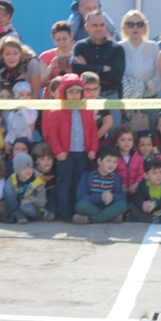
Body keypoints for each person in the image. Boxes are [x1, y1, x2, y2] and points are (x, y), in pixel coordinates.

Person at [46, 73, 99, 222]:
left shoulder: (86, 110)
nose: (75, 95)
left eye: (77, 91)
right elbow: (52, 134)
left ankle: (75, 210)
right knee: (64, 183)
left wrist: (93, 149)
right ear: (64, 92)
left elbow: (93, 131)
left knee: (77, 183)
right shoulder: (56, 111)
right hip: (65, 154)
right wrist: (58, 152)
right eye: (71, 92)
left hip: (81, 153)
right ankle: (64, 212)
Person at [72, 10, 125, 135]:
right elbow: (76, 70)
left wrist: (87, 68)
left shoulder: (117, 48)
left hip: (110, 96)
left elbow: (116, 76)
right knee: (83, 135)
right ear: (86, 27)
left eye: (102, 25)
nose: (99, 29)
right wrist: (101, 68)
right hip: (86, 98)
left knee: (115, 135)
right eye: (95, 25)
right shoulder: (80, 47)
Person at [73, 145, 127, 224]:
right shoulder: (88, 175)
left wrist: (112, 196)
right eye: (108, 161)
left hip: (108, 206)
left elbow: (122, 198)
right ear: (99, 161)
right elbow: (81, 197)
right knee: (80, 205)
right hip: (92, 206)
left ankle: (91, 220)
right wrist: (101, 197)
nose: (111, 165)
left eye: (115, 162)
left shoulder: (116, 178)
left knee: (122, 205)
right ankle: (109, 217)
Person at [119, 9, 161, 104]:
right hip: (126, 100)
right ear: (125, 27)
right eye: (131, 24)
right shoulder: (119, 48)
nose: (135, 27)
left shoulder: (153, 46)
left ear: (144, 27)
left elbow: (159, 75)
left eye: (139, 24)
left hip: (149, 100)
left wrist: (146, 85)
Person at [127, 157, 161, 223]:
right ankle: (155, 219)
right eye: (154, 173)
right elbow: (137, 198)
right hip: (148, 210)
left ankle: (151, 219)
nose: (159, 176)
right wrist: (143, 204)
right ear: (146, 175)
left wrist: (155, 204)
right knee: (131, 206)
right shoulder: (143, 183)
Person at [4, 152, 47, 224]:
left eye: (30, 167)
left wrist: (31, 199)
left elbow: (43, 202)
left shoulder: (37, 181)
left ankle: (34, 217)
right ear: (18, 169)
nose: (28, 170)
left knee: (25, 208)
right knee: (7, 188)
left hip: (31, 207)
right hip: (17, 205)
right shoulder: (12, 179)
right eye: (24, 168)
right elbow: (8, 197)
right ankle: (18, 215)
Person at [39, 21, 75, 92]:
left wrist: (74, 72)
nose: (62, 43)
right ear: (53, 40)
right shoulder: (45, 56)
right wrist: (51, 67)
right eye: (58, 40)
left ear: (71, 36)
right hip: (50, 96)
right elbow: (40, 84)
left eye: (65, 39)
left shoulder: (76, 55)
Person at [80, 71, 113, 143]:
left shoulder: (101, 102)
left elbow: (109, 122)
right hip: (82, 138)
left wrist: (95, 137)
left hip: (99, 139)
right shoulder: (79, 103)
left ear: (99, 89)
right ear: (82, 90)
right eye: (88, 89)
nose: (92, 92)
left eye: (95, 89)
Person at [111, 124, 144, 196]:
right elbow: (111, 174)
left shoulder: (138, 158)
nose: (126, 142)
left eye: (129, 139)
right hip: (119, 192)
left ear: (133, 143)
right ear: (116, 143)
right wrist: (119, 186)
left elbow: (141, 174)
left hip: (135, 191)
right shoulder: (113, 158)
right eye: (123, 140)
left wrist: (137, 184)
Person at [4, 82, 37, 149]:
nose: (25, 97)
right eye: (22, 95)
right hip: (14, 146)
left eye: (28, 95)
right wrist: (6, 141)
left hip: (27, 145)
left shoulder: (33, 111)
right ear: (17, 97)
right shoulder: (12, 114)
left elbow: (29, 121)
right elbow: (10, 131)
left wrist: (22, 107)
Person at [32, 141, 58, 221]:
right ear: (36, 161)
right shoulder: (33, 173)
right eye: (42, 159)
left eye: (49, 158)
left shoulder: (56, 171)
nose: (47, 161)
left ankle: (50, 213)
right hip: (38, 197)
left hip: (51, 197)